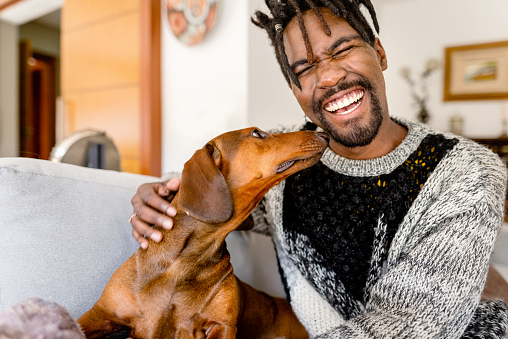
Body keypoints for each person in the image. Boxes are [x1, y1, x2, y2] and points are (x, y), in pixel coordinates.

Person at [129, 0, 508, 337]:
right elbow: (222, 198)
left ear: (379, 53)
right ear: (294, 90)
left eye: (342, 50)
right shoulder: (285, 160)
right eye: (305, 68)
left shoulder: (467, 172)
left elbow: (408, 327)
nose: (328, 78)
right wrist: (165, 198)